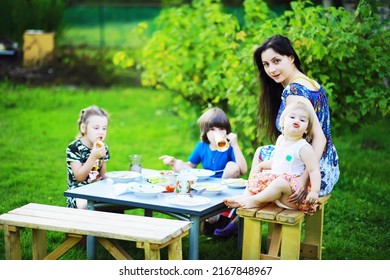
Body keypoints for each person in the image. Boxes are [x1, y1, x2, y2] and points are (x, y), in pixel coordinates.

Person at [214, 34, 339, 237]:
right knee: (263, 152)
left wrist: (303, 177)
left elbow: (319, 138)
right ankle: (238, 214)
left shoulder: (294, 92)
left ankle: (243, 213)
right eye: (266, 64)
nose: (271, 69)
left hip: (315, 172)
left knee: (262, 155)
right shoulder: (310, 83)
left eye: (276, 61)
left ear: (291, 57)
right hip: (330, 166)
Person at [224, 101, 321, 214]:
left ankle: (255, 200)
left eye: (302, 120)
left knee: (279, 182)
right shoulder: (280, 140)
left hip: (291, 196)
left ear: (306, 129)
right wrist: (261, 166)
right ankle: (244, 197)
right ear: (282, 123)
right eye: (292, 117)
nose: (297, 120)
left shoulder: (303, 148)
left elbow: (314, 170)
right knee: (258, 177)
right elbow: (279, 160)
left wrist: (314, 191)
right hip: (276, 191)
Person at [159, 107, 247, 179]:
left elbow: (243, 170)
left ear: (227, 131)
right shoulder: (202, 146)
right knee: (178, 164)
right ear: (205, 132)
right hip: (206, 181)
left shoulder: (230, 147)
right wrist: (174, 162)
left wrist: (235, 145)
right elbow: (190, 166)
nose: (217, 133)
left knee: (232, 166)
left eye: (221, 129)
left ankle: (222, 190)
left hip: (225, 183)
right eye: (212, 129)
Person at [66, 105, 110, 209]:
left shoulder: (103, 147)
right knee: (84, 205)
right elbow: (79, 177)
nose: (101, 132)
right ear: (83, 128)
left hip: (96, 190)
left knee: (117, 201)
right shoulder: (74, 148)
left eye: (104, 128)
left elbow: (103, 175)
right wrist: (93, 157)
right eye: (96, 128)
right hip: (78, 193)